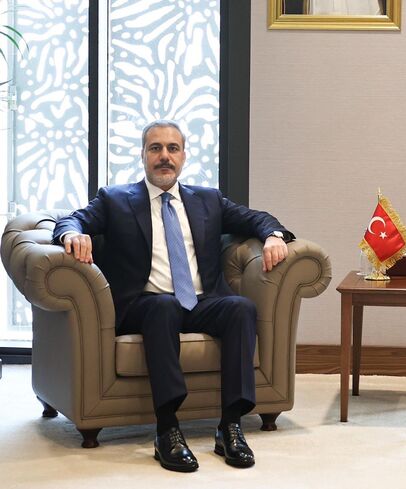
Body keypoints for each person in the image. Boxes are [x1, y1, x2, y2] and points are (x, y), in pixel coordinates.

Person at [52, 120, 294, 473]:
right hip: (144, 303)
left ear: (183, 156)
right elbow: (71, 220)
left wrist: (273, 235)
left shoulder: (208, 200)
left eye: (172, 149)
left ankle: (230, 427)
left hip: (201, 300)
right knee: (163, 306)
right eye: (156, 148)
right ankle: (167, 429)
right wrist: (72, 235)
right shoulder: (116, 199)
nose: (164, 156)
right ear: (143, 155)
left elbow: (256, 217)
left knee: (241, 308)